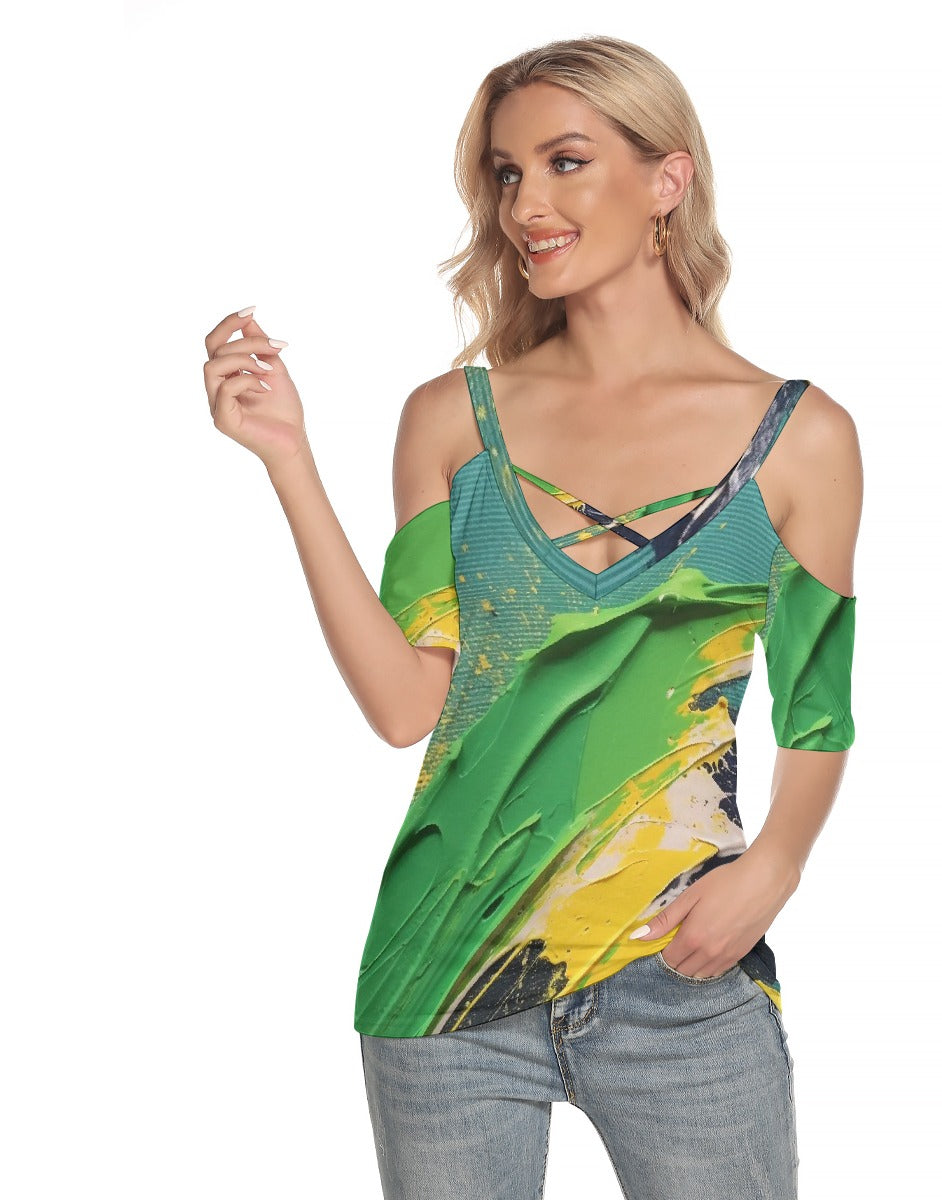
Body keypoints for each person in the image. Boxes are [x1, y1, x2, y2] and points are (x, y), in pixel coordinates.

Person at [203, 34, 861, 1200]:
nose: (525, 207)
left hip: (680, 973)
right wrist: (289, 462)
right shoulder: (451, 421)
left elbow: (818, 713)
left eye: (565, 163)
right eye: (507, 174)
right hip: (443, 970)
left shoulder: (800, 438)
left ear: (667, 180)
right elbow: (406, 705)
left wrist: (776, 867)